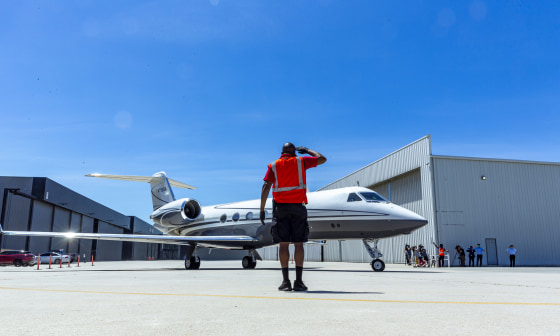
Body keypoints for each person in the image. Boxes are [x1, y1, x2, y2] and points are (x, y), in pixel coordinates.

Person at [260, 143, 326, 291]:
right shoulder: (301, 161)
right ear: (294, 152)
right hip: (298, 207)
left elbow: (266, 186)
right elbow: (322, 159)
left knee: (283, 244)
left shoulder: (273, 165)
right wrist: (308, 150)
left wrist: (262, 209)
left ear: (282, 152)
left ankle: (285, 282)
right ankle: (299, 282)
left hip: (280, 209)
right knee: (299, 244)